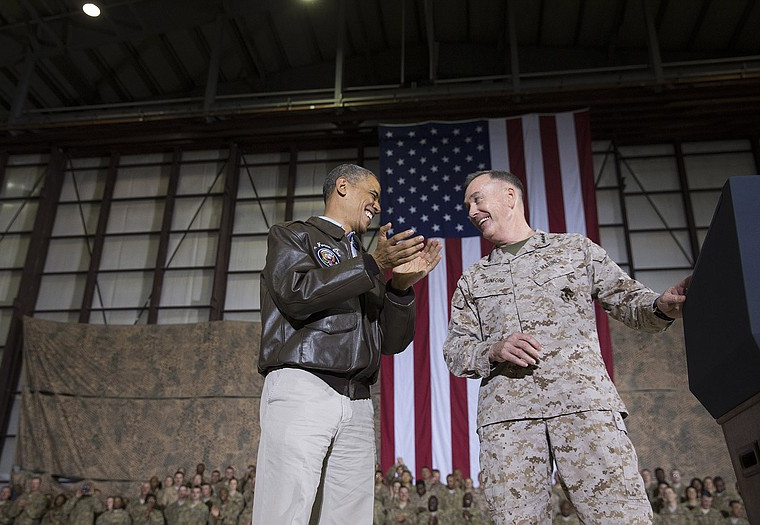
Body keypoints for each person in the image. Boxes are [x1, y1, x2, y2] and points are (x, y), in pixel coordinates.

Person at [442, 170, 689, 524]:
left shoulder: (574, 250)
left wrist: (660, 305)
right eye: (467, 205)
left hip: (584, 407)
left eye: (477, 198)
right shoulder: (473, 279)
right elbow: (455, 350)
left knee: (620, 516)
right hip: (509, 422)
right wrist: (493, 349)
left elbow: (630, 302)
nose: (471, 211)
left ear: (510, 196)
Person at [252, 163, 443, 524]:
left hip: (357, 400)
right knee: (284, 509)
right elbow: (297, 294)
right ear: (342, 186)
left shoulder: (364, 262)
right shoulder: (294, 236)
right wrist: (372, 264)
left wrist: (399, 287)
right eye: (373, 194)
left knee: (349, 516)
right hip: (304, 385)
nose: (378, 206)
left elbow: (391, 343)